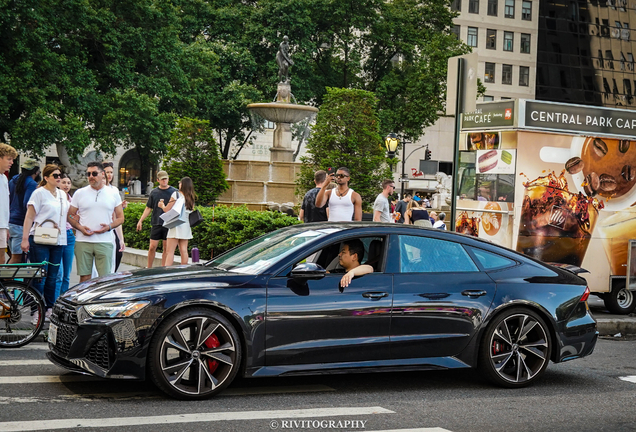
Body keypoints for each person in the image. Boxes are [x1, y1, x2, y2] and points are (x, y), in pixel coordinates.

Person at [21, 165, 69, 317]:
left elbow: (69, 216)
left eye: (59, 175)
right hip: (40, 239)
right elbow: (29, 217)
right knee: (40, 276)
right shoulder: (39, 193)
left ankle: (49, 308)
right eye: (55, 175)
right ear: (46, 177)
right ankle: (35, 310)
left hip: (58, 240)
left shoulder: (62, 195)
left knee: (53, 277)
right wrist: (24, 239)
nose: (58, 177)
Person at [67, 162, 124, 283]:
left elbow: (120, 218)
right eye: (88, 174)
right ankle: (83, 301)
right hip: (83, 241)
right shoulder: (79, 193)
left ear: (102, 174)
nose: (91, 176)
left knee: (105, 279)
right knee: (85, 278)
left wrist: (108, 227)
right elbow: (70, 215)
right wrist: (80, 227)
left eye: (94, 173)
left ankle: (102, 302)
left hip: (105, 241)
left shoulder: (113, 193)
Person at [136, 171, 177, 268]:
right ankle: (149, 267)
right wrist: (140, 220)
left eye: (166, 178)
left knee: (166, 248)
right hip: (156, 222)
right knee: (152, 247)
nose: (164, 180)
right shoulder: (154, 192)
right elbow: (148, 208)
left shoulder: (174, 192)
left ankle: (163, 268)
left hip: (168, 223)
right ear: (158, 180)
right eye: (162, 179)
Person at [7, 158, 40, 264]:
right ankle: (6, 280)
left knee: (13, 256)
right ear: (36, 172)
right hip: (20, 224)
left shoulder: (12, 180)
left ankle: (10, 280)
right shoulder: (31, 184)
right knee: (17, 259)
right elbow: (28, 205)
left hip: (10, 222)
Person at [158, 177, 196, 266]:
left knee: (170, 251)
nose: (179, 184)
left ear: (182, 185)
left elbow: (167, 210)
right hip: (185, 224)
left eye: (180, 182)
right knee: (184, 250)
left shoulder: (176, 194)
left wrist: (162, 205)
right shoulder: (191, 197)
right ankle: (183, 270)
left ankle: (167, 271)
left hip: (175, 223)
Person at [102, 162, 126, 271]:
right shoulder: (95, 191)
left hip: (112, 227)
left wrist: (121, 239)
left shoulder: (114, 190)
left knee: (118, 254)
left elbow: (117, 217)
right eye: (107, 172)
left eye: (111, 172)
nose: (109, 175)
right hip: (100, 229)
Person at [55, 173, 75, 297]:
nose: (66, 185)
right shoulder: (55, 198)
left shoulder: (72, 200)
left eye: (68, 183)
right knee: (59, 274)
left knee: (67, 274)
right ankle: (54, 301)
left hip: (69, 235)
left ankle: (64, 299)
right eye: (63, 182)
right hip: (57, 235)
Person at [0, 144, 18, 263]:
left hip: (2, 224)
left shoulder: (5, 178)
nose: (11, 162)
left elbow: (5, 205)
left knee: (1, 254)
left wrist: (6, 227)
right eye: (9, 159)